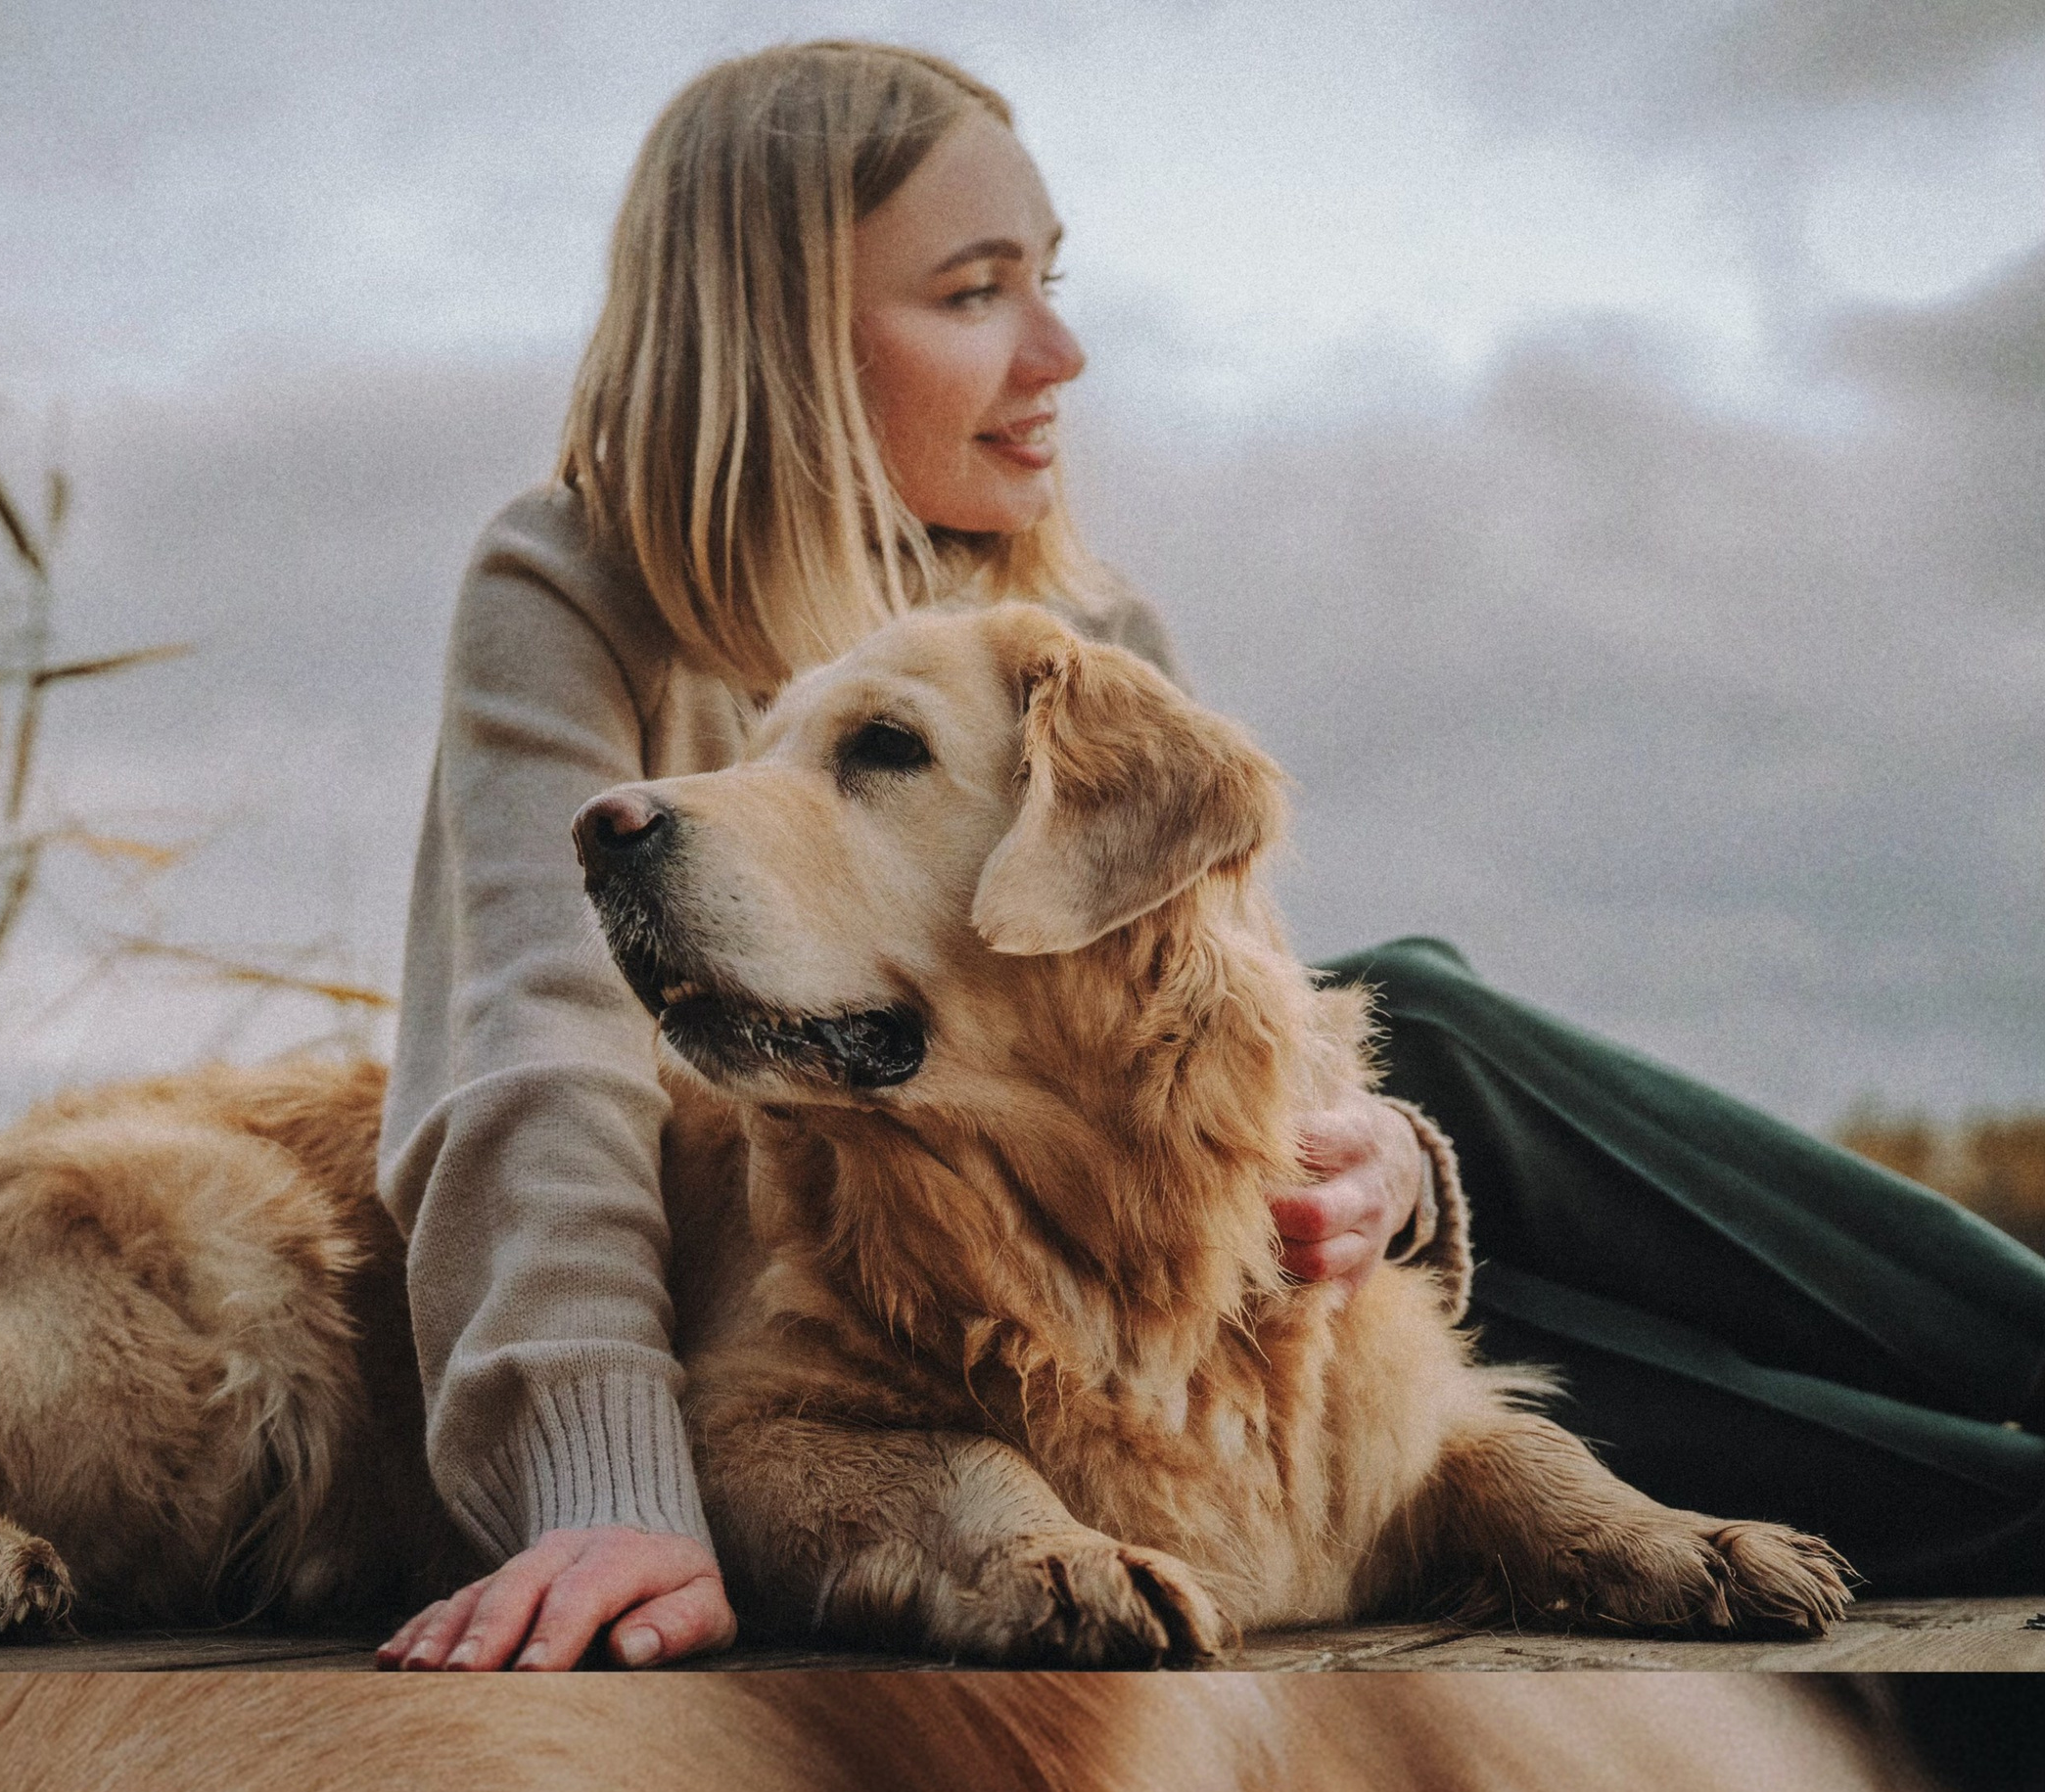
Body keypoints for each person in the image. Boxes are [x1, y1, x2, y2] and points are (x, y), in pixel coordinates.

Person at [375, 39, 2045, 1673]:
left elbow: (1196, 1021)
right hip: (912, 1303)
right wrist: (603, 1486)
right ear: (782, 341)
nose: (1062, 351)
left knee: (1409, 1028)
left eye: (1050, 280)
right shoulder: (578, 585)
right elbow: (538, 1055)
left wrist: (1385, 1164)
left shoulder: (1091, 630)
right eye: (975, 294)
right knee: (1478, 1136)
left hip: (1206, 1273)